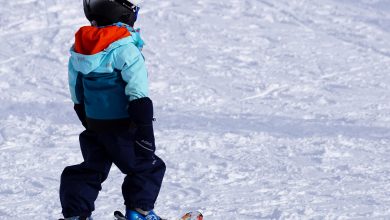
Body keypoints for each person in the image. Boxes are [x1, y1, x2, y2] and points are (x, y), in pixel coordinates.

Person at [59, 0, 166, 219]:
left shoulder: (79, 50)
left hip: (95, 125)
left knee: (91, 168)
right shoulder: (125, 49)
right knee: (148, 166)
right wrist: (144, 129)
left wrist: (86, 117)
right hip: (124, 126)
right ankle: (140, 212)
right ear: (125, 13)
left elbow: (76, 89)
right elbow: (138, 93)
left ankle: (76, 215)